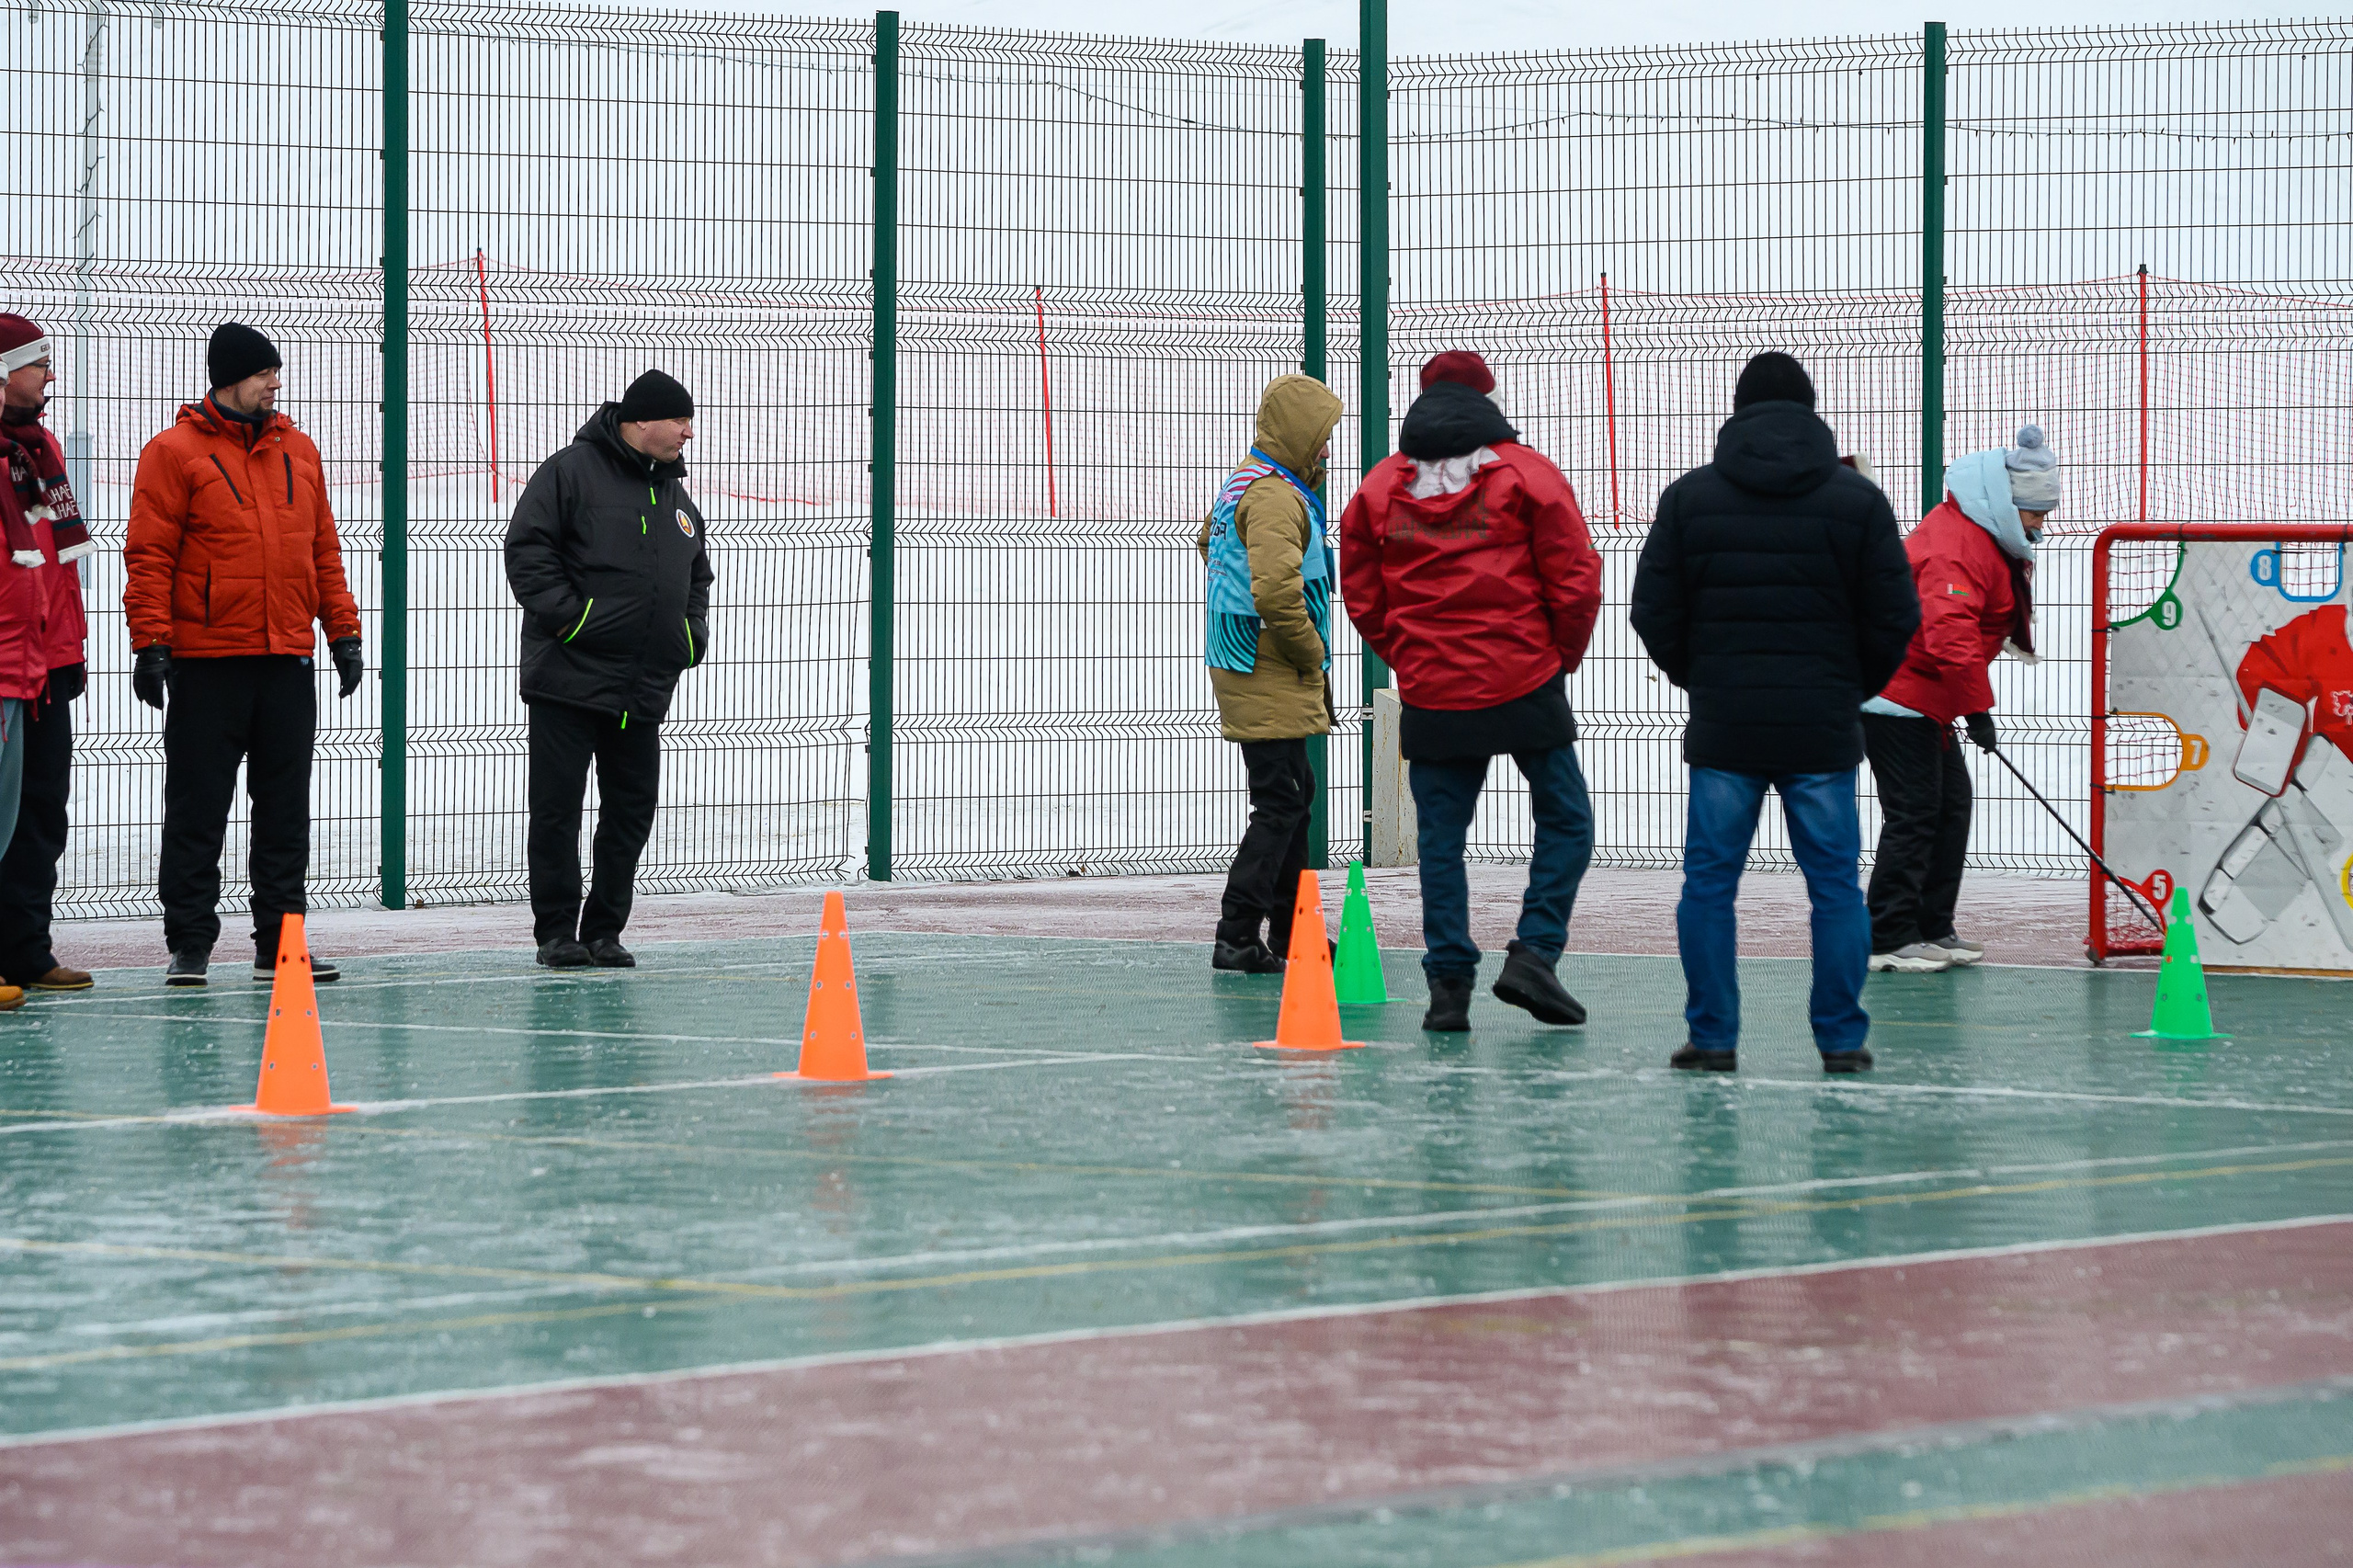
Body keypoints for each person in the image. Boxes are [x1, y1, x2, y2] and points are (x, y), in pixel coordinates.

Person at [1630, 352, 1919, 1074]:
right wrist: (1846, 687)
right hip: (1822, 728)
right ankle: (1842, 1039)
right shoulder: (1858, 502)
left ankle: (1713, 1036)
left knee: (1708, 885)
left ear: (1739, 411)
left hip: (1727, 726)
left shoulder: (1690, 499)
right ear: (1811, 411)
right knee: (1833, 889)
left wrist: (1704, 679)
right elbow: (1895, 617)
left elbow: (1653, 612)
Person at [1339, 350, 1604, 1031]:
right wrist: (1556, 660)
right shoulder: (1524, 473)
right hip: (1523, 677)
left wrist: (1407, 654)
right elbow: (1576, 575)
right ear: (1487, 401)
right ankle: (1535, 953)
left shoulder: (1381, 487)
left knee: (1442, 839)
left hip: (1433, 686)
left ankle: (1449, 985)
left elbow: (1362, 591)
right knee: (1567, 818)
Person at [124, 323, 365, 988]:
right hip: (207, 662)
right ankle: (191, 944)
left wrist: (342, 632)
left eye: (276, 374)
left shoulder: (300, 451)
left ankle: (281, 945)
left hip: (287, 659)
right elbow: (149, 556)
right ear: (229, 379)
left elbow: (323, 552)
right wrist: (151, 644)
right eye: (265, 374)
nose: (276, 384)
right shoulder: (173, 453)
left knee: (285, 811)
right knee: (199, 810)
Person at [505, 370, 711, 970]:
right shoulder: (571, 471)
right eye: (679, 421)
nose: (687, 434)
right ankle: (556, 934)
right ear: (642, 420)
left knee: (630, 810)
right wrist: (573, 620)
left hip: (641, 687)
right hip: (567, 680)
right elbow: (528, 549)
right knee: (557, 811)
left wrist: (687, 638)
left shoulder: (674, 495)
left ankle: (604, 930)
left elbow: (697, 575)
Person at [1863, 426, 2057, 972]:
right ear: (2004, 502)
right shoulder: (1956, 545)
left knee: (1950, 805)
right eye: (2034, 513)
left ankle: (1931, 925)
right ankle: (1886, 934)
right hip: (1898, 697)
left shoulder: (1978, 533)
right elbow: (1948, 631)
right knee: (1916, 811)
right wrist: (1978, 709)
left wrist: (1965, 706)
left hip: (1929, 698)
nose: (2041, 524)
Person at [1198, 373, 1344, 972]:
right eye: (1322, 438)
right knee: (1281, 800)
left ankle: (1289, 930)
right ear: (1298, 437)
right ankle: (1237, 934)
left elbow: (1209, 540)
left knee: (1294, 795)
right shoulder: (1279, 497)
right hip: (1267, 664)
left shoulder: (1247, 483)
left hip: (1246, 657)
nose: (1328, 451)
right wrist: (1308, 650)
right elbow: (1279, 590)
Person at [0, 313, 97, 997]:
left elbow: (57, 572)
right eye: (38, 364)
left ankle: (28, 950)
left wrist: (68, 651)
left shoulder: (43, 454)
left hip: (44, 667)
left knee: (41, 816)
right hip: (6, 668)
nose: (50, 375)